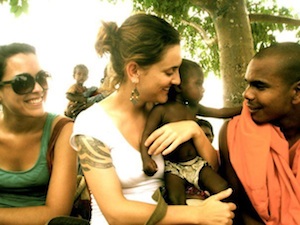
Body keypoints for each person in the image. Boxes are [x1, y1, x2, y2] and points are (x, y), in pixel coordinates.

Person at [70, 13, 236, 225]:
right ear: (134, 70)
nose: (177, 80)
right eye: (170, 71)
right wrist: (197, 214)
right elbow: (115, 211)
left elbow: (210, 169)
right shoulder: (93, 123)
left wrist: (193, 130)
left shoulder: (167, 111)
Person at [218, 42, 300, 225]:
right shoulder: (232, 134)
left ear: (297, 92)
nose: (247, 94)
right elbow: (237, 209)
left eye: (259, 86)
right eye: (248, 84)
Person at [0, 43, 78, 224]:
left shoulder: (61, 130)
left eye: (41, 78)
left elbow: (57, 213)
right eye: (22, 82)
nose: (37, 89)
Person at [140, 64, 231, 205]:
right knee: (176, 201)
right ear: (178, 86)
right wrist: (146, 159)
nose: (203, 89)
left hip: (196, 163)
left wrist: (245, 108)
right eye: (198, 83)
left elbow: (220, 112)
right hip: (173, 167)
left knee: (223, 188)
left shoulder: (193, 107)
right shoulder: (161, 110)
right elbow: (146, 135)